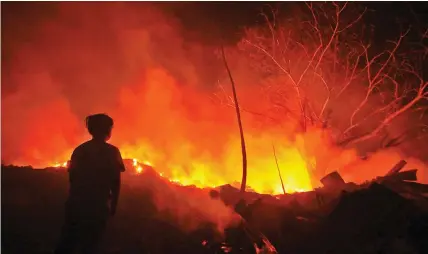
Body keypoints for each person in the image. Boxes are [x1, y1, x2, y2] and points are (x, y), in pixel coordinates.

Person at [55, 113, 125, 254]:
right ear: (107, 130)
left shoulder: (80, 150)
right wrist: (114, 205)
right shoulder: (112, 152)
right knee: (91, 245)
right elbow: (115, 181)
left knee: (68, 243)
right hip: (97, 206)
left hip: (75, 205)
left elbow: (72, 178)